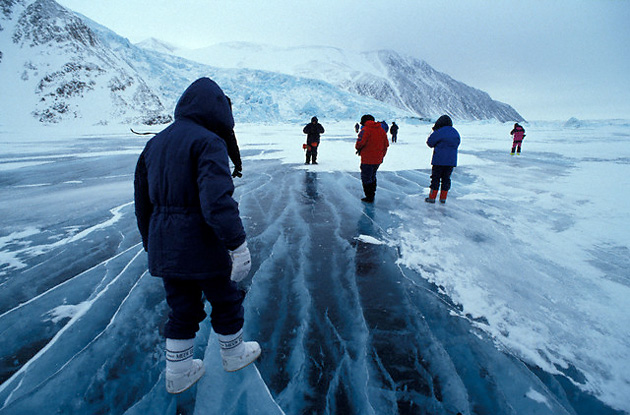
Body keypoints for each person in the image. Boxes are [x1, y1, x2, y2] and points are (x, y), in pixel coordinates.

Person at [134, 77, 261, 395]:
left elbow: (141, 203)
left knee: (182, 308)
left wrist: (153, 245)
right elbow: (216, 201)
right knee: (226, 299)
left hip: (166, 246)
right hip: (204, 245)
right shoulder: (208, 142)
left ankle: (177, 372)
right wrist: (237, 243)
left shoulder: (155, 143)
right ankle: (233, 355)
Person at [425, 115, 460, 204]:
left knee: (435, 178)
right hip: (451, 161)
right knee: (446, 179)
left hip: (439, 160)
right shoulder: (455, 132)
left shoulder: (439, 132)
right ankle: (443, 198)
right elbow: (457, 143)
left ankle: (432, 197)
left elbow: (430, 143)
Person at [355, 114, 389, 203]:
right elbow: (386, 144)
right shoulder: (381, 130)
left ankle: (369, 196)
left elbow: (360, 143)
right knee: (373, 176)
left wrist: (358, 148)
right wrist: (382, 155)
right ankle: (372, 194)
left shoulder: (365, 130)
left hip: (367, 159)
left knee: (366, 177)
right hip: (378, 159)